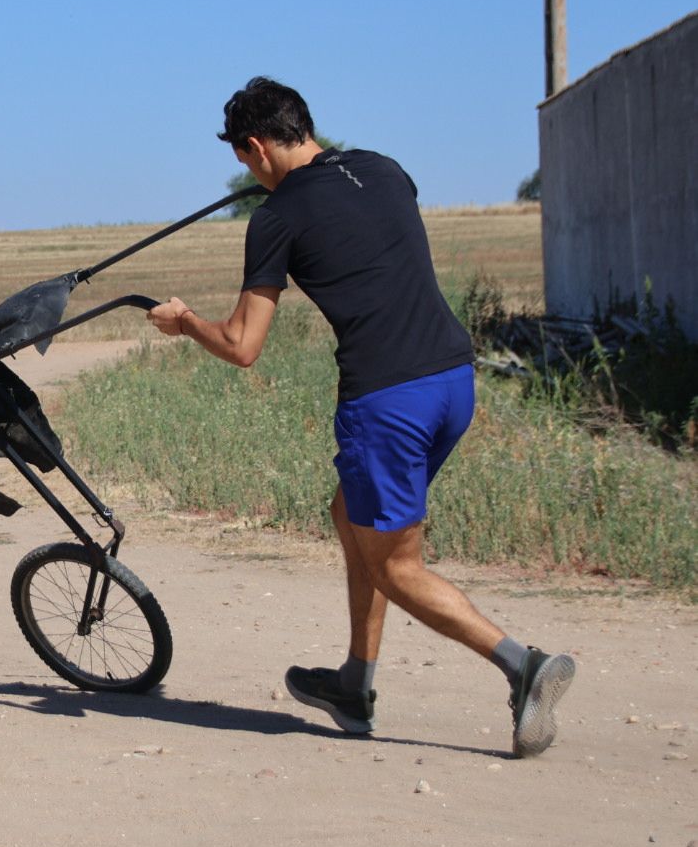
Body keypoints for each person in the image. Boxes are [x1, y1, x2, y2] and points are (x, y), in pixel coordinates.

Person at [148, 76, 574, 758]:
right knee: (352, 517)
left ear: (254, 147)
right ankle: (355, 684)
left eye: (242, 155)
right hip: (452, 380)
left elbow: (242, 346)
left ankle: (523, 667)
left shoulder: (275, 219)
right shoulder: (382, 168)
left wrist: (184, 322)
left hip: (389, 402)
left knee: (396, 566)